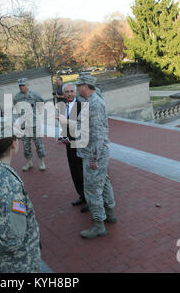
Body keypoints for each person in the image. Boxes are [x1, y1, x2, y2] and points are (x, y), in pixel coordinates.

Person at [0, 117, 41, 273]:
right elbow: (12, 240)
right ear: (13, 144)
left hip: (0, 261)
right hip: (18, 264)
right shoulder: (9, 185)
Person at [74, 74, 117, 239]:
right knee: (103, 182)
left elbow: (98, 134)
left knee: (92, 188)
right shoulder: (91, 101)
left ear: (86, 86)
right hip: (95, 151)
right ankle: (110, 214)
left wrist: (93, 158)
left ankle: (99, 224)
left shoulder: (94, 104)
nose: (77, 88)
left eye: (79, 85)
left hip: (94, 153)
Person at [57, 83, 88, 213]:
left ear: (75, 93)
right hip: (69, 145)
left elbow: (84, 127)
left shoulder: (82, 106)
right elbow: (63, 124)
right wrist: (64, 136)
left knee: (83, 172)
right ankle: (81, 195)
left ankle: (90, 199)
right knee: (74, 171)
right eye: (67, 92)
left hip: (81, 144)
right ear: (63, 94)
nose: (69, 94)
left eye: (71, 91)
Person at [13, 78, 46, 171]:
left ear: (27, 85)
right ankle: (29, 162)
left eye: (23, 85)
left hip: (35, 124)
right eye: (20, 85)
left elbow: (42, 103)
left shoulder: (35, 95)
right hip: (24, 125)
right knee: (26, 145)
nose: (21, 87)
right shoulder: (16, 97)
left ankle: (42, 161)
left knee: (39, 144)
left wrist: (38, 114)